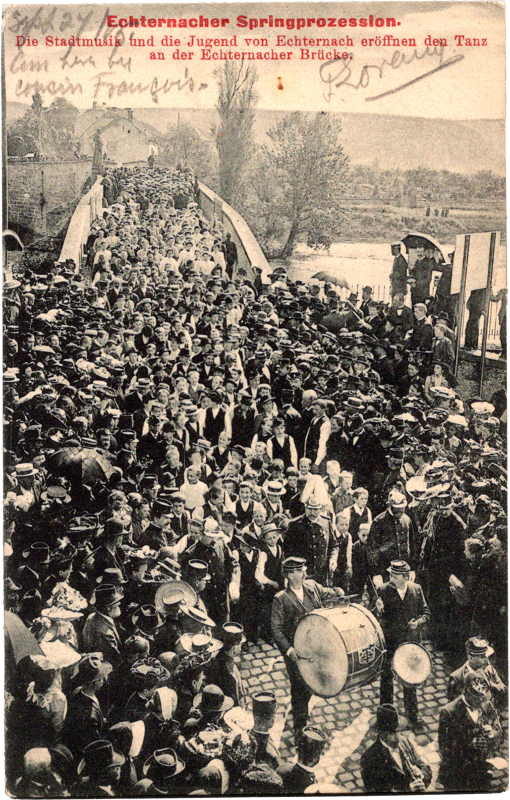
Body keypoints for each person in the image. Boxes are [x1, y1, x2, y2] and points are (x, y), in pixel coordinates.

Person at [271, 557, 344, 737]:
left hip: (316, 646)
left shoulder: (311, 586)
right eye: (300, 570)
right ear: (290, 575)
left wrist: (338, 591)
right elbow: (276, 629)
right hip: (296, 652)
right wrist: (289, 650)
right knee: (299, 688)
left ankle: (300, 709)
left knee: (310, 684)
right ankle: (299, 727)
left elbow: (328, 593)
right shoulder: (281, 599)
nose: (305, 572)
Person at [375, 560, 430, 730]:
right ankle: (385, 719)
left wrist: (418, 622)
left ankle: (412, 717)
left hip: (410, 643)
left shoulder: (416, 589)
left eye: (394, 575)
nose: (390, 578)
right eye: (390, 574)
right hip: (390, 643)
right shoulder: (383, 590)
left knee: (409, 680)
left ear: (405, 577)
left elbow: (426, 613)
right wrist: (378, 609)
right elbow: (374, 617)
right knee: (386, 680)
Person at [438, 673, 503, 791]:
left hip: (482, 769)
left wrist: (492, 734)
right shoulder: (448, 712)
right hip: (457, 773)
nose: (480, 702)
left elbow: (499, 731)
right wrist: (469, 745)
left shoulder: (486, 704)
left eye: (482, 698)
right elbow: (444, 748)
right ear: (465, 692)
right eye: (476, 698)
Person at [360, 703, 432, 793]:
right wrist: (408, 789)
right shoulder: (368, 759)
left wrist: (421, 774)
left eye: (399, 732)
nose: (398, 738)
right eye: (392, 733)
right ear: (381, 733)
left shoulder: (405, 742)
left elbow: (424, 767)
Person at [447, 637, 506, 706]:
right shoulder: (456, 677)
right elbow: (453, 706)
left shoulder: (490, 669)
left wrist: (489, 684)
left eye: (488, 657)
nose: (487, 661)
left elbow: (504, 690)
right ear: (470, 658)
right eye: (483, 657)